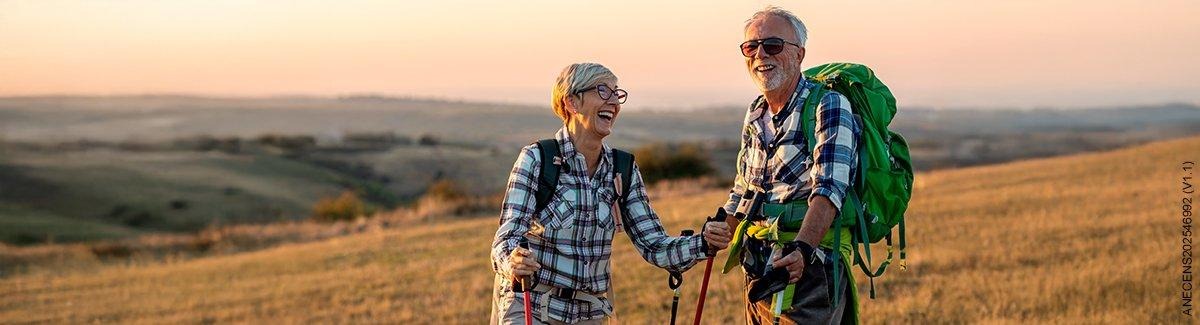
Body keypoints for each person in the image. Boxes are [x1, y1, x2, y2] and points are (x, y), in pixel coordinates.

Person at [489, 62, 733, 324]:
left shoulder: (622, 168)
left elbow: (654, 246)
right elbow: (506, 238)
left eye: (617, 94)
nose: (614, 102)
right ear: (572, 102)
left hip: (589, 314)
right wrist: (513, 261)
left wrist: (704, 243)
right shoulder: (537, 159)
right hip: (532, 307)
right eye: (603, 91)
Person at [720, 6, 862, 325]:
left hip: (811, 266)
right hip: (758, 265)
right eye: (750, 47)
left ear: (799, 54)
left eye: (772, 45)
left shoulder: (828, 105)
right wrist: (715, 232)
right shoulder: (756, 111)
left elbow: (830, 190)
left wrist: (802, 249)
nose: (760, 55)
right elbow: (744, 189)